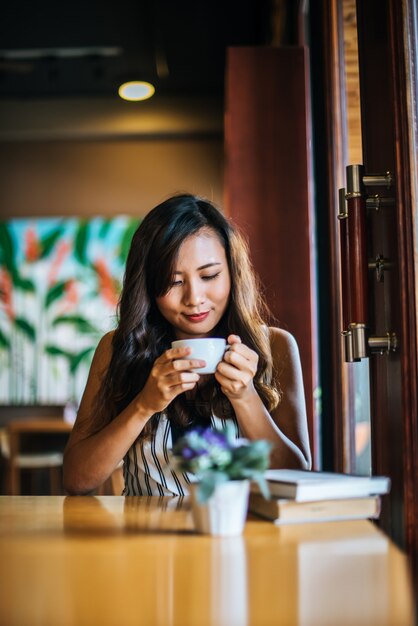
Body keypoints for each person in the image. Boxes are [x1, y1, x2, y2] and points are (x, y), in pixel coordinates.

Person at [63, 194, 311, 495]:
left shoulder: (275, 346)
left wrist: (245, 397)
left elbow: (298, 478)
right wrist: (144, 404)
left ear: (232, 273)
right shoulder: (118, 348)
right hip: (148, 537)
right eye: (174, 281)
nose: (194, 298)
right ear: (149, 286)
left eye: (209, 275)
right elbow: (77, 479)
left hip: (245, 536)